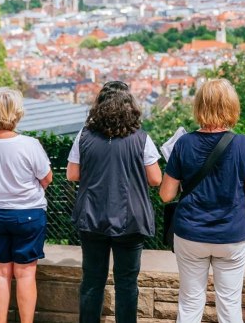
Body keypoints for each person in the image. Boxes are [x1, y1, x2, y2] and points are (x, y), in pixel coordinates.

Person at [159, 78, 245, 323]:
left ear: (199, 106)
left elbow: (166, 195)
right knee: (229, 305)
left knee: (190, 302)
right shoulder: (244, 144)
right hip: (232, 234)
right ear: (231, 106)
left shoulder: (184, 144)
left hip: (190, 234)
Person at [67, 81, 163, 323]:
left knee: (92, 281)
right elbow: (155, 179)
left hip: (92, 217)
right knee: (127, 284)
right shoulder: (142, 139)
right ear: (130, 106)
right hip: (130, 219)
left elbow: (72, 174)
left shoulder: (84, 136)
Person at [0, 87, 53, 323]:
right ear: (17, 113)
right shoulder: (30, 144)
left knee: (0, 272)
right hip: (28, 213)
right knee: (25, 275)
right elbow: (47, 178)